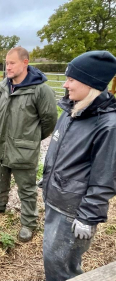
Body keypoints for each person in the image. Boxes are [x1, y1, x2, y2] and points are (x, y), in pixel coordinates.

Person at [41, 51, 116, 281]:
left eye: (72, 79)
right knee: (52, 260)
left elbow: (105, 177)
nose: (65, 84)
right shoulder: (72, 110)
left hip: (73, 210)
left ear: (90, 83)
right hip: (56, 197)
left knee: (62, 267)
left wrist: (88, 217)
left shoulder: (108, 125)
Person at [0, 46, 58, 242]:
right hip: (0, 144)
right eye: (6, 63)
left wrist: (30, 138)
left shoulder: (41, 91)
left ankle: (29, 223)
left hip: (23, 150)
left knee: (27, 189)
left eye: (12, 63)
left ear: (25, 63)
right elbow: (0, 109)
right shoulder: (2, 87)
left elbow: (49, 121)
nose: (7, 67)